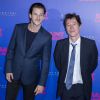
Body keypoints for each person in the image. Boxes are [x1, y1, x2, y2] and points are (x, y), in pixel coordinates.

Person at [5, 2, 52, 100]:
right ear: (30, 15)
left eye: (41, 15)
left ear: (44, 17)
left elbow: (46, 62)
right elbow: (11, 50)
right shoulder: (18, 28)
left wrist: (41, 83)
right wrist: (8, 69)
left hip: (31, 78)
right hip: (13, 74)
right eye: (35, 14)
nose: (38, 17)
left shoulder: (47, 37)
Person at [54, 13, 98, 100]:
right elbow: (59, 65)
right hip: (66, 87)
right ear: (65, 28)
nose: (71, 27)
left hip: (82, 87)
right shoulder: (60, 44)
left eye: (74, 24)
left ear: (79, 26)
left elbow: (93, 65)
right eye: (68, 25)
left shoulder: (90, 44)